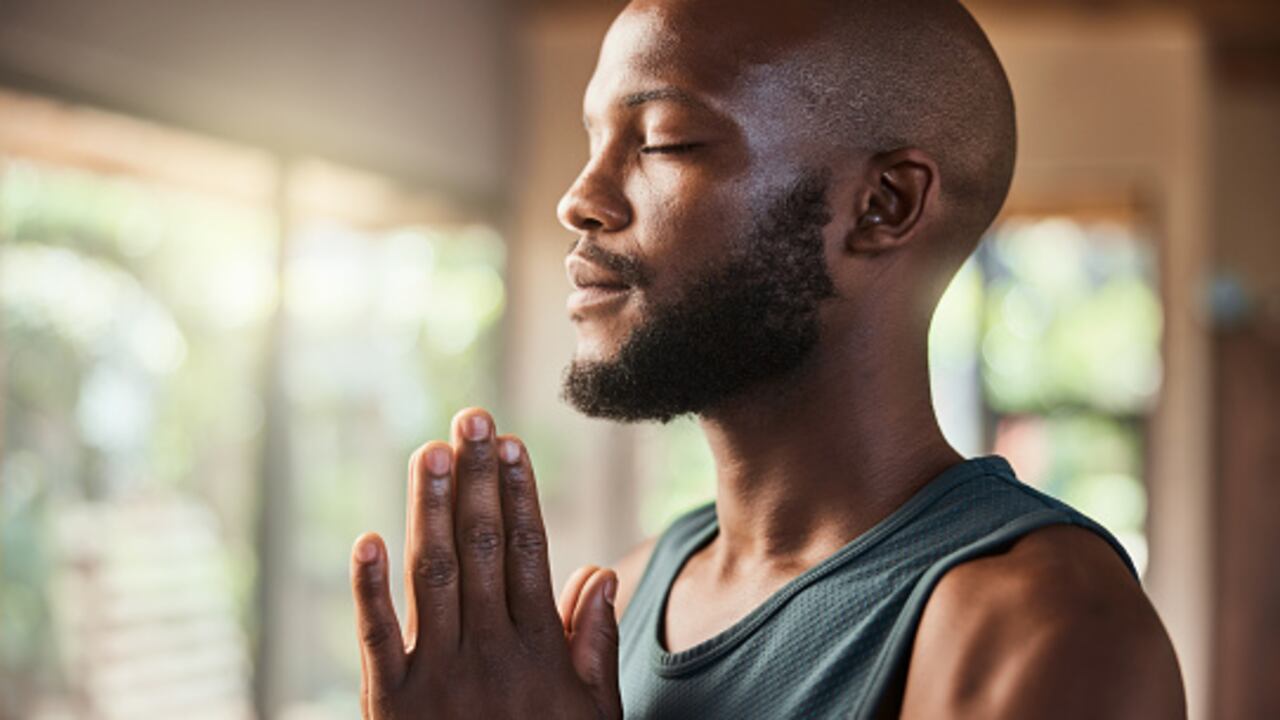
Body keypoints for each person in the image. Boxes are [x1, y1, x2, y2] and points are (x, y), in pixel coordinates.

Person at [347, 0, 1187, 717]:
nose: (581, 197)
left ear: (882, 206)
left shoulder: (1040, 630)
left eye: (665, 141)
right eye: (594, 139)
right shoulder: (633, 592)